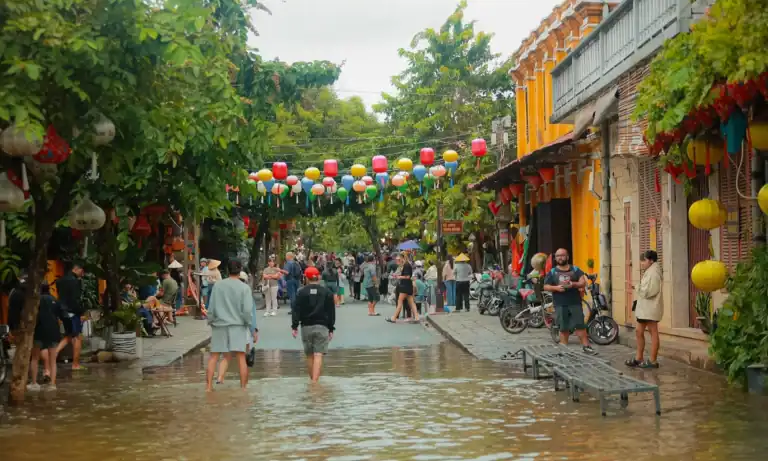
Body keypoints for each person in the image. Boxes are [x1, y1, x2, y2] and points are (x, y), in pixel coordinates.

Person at [205, 259, 255, 391]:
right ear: (240, 270)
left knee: (214, 356)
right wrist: (249, 325)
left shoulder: (218, 286)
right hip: (238, 326)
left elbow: (212, 307)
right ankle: (243, 388)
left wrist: (210, 321)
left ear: (227, 270)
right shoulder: (244, 288)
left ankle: (209, 387)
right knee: (241, 358)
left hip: (219, 326)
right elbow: (247, 311)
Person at [543, 248, 597, 355]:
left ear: (567, 257)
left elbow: (583, 282)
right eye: (558, 256)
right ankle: (564, 349)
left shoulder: (575, 270)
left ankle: (586, 347)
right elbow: (546, 286)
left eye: (562, 255)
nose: (560, 258)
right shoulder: (552, 272)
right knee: (563, 327)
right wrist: (557, 288)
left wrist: (573, 284)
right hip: (560, 303)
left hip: (575, 302)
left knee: (580, 325)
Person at [292, 266, 335, 383]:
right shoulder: (327, 292)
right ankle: (315, 382)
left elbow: (296, 310)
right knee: (318, 354)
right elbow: (331, 312)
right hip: (322, 326)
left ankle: (312, 380)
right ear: (318, 277)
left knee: (309, 355)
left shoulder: (301, 292)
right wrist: (331, 328)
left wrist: (294, 326)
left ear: (306, 278)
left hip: (306, 326)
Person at [627, 250, 662, 368]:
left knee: (653, 332)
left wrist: (637, 287)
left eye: (644, 260)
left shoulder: (654, 273)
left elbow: (650, 291)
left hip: (650, 308)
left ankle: (653, 360)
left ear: (651, 260)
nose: (642, 263)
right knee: (639, 332)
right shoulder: (649, 271)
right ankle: (639, 357)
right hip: (644, 308)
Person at [28, 283, 62, 391]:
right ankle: (52, 384)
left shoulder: (36, 301)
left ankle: (34, 383)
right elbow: (60, 315)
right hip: (53, 332)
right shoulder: (55, 300)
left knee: (35, 358)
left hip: (39, 331)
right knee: (53, 360)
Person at [55, 261, 86, 371]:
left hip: (62, 311)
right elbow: (75, 299)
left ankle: (54, 353)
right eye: (81, 271)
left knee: (69, 336)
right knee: (77, 337)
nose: (82, 274)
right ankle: (75, 364)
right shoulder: (75, 282)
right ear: (76, 269)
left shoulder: (60, 281)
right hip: (72, 312)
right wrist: (81, 312)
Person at [387, 253, 420, 323]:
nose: (398, 259)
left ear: (402, 257)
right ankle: (417, 317)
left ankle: (394, 318)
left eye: (399, 258)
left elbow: (407, 276)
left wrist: (398, 277)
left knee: (400, 302)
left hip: (405, 286)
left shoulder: (406, 265)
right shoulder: (406, 265)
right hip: (408, 286)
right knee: (411, 302)